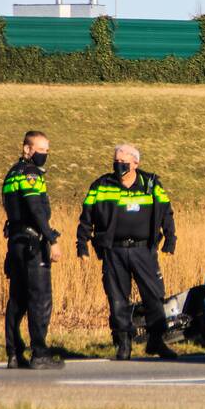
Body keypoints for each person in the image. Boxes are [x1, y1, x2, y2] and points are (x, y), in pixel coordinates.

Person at [76, 144, 177, 360]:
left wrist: (170, 240)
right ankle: (123, 343)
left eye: (123, 161)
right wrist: (82, 244)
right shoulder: (102, 185)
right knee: (117, 299)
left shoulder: (150, 184)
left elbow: (166, 213)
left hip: (143, 251)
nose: (118, 164)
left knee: (154, 295)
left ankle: (156, 341)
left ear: (135, 163)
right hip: (114, 251)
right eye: (116, 160)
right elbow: (87, 216)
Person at [1, 131, 64, 370]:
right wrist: (51, 239)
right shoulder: (31, 175)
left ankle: (14, 353)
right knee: (40, 300)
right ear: (27, 149)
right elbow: (36, 210)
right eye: (40, 150)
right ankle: (39, 353)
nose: (44, 155)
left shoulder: (11, 174)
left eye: (47, 151)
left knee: (17, 300)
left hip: (15, 242)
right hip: (32, 244)